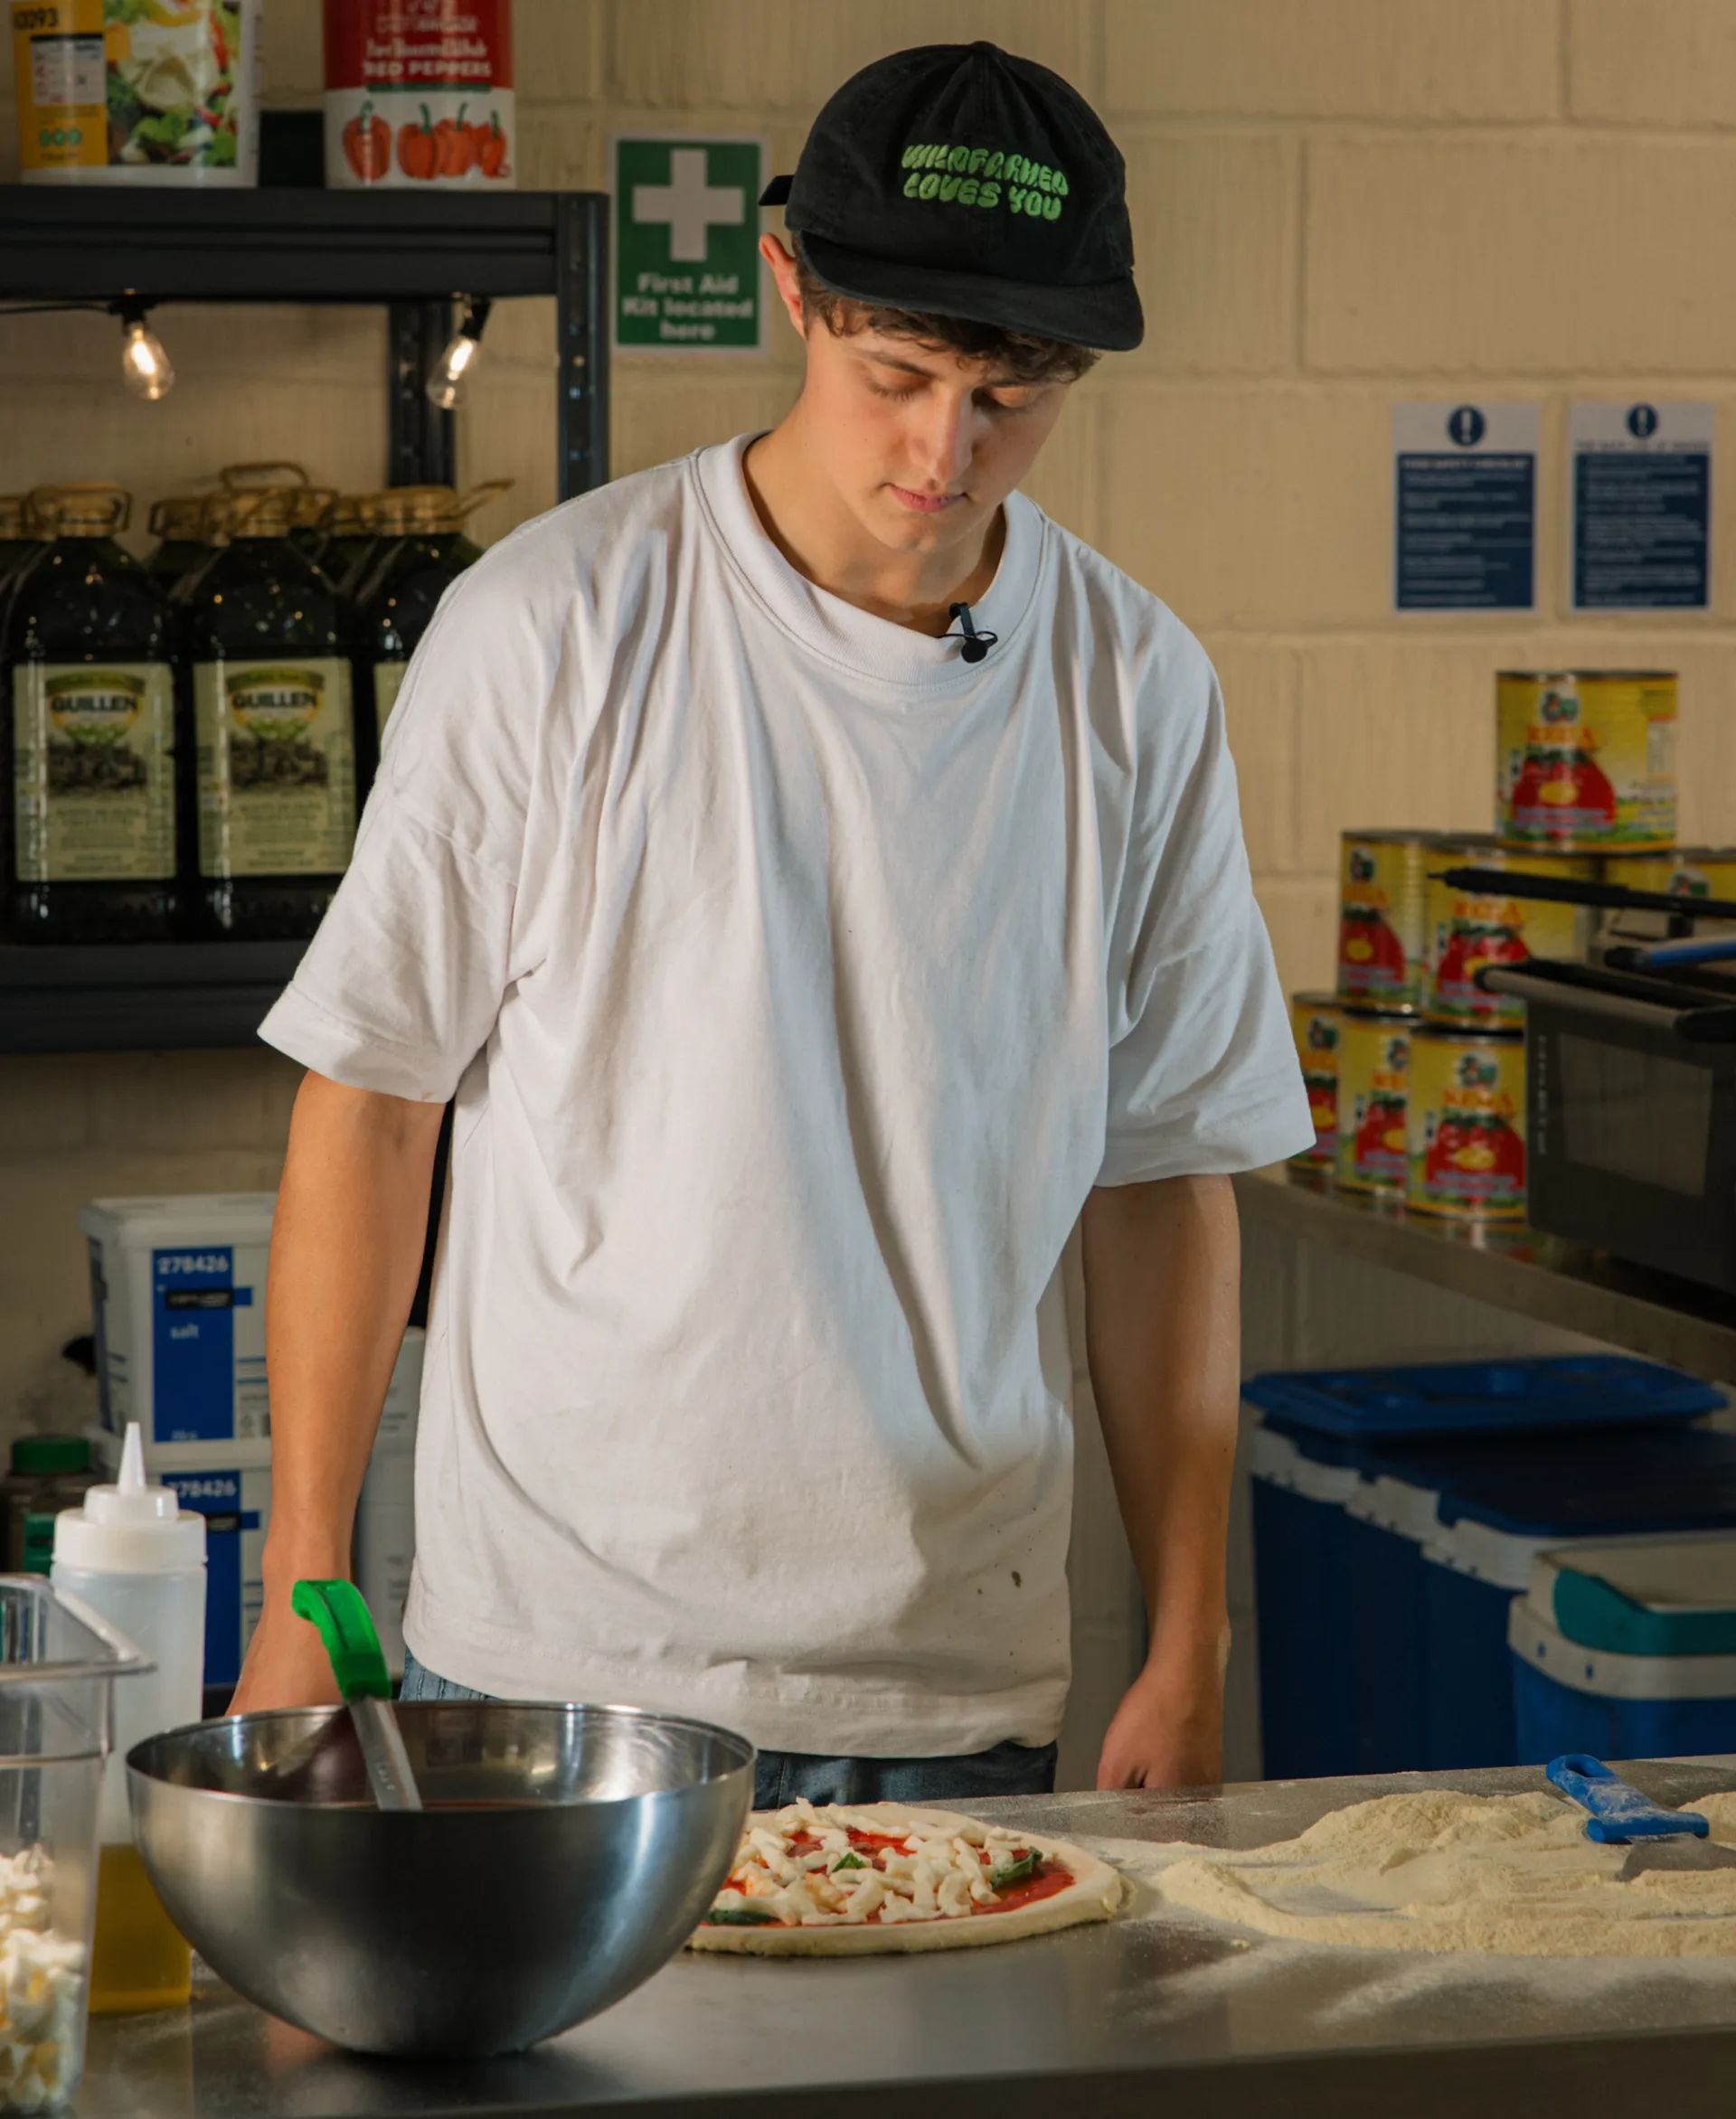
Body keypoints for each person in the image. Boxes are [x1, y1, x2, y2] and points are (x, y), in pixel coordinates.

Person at [235, 41, 1312, 1804]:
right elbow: (369, 1099)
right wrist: (304, 1581)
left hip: (952, 1684)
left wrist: (1188, 1639)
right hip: (554, 1674)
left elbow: (1164, 1177)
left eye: (1012, 393)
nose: (945, 448)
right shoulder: (552, 630)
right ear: (790, 284)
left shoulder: (1138, 689)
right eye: (900, 373)